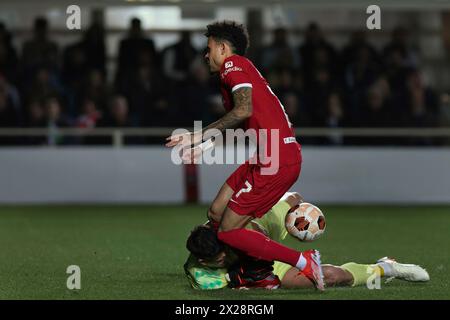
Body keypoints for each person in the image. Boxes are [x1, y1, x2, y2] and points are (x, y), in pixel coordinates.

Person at [167, 21, 323, 290]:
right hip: (268, 155)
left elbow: (243, 111)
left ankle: (302, 262)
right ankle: (242, 261)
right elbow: (243, 119)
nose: (206, 55)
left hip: (277, 160)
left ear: (223, 48)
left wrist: (197, 135)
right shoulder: (237, 73)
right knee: (216, 212)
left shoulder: (232, 65)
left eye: (209, 48)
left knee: (228, 229)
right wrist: (206, 146)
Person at [184, 192, 430, 290]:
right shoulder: (198, 266)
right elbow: (219, 281)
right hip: (258, 253)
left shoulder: (242, 231)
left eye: (225, 253)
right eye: (219, 260)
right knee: (329, 278)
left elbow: (264, 247)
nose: (224, 258)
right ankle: (385, 267)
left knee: (293, 200)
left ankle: (281, 195)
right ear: (204, 260)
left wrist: (294, 206)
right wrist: (233, 278)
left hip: (265, 232)